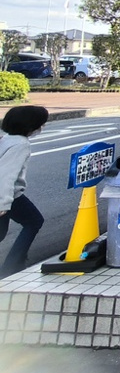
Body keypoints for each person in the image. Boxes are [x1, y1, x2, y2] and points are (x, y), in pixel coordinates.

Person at [0, 105, 48, 278]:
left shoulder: (6, 139)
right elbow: (6, 174)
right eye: (40, 124)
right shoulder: (21, 144)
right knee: (34, 221)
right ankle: (10, 267)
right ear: (30, 126)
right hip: (8, 195)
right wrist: (3, 203)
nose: (42, 128)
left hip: (8, 195)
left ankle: (14, 263)